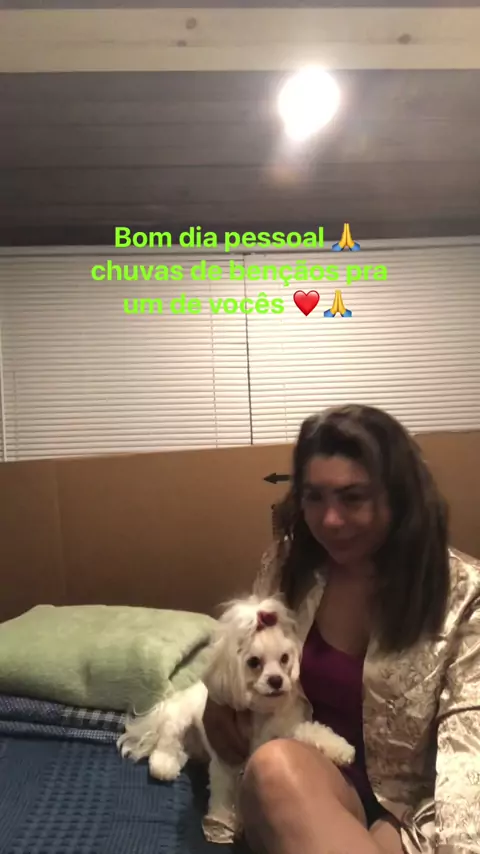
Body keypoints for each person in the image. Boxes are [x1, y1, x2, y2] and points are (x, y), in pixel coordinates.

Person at [203, 404, 480, 854]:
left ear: (399, 497)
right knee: (274, 769)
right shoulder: (286, 566)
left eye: (353, 498)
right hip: (304, 781)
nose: (329, 519)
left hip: (412, 811)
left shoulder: (464, 594)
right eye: (314, 497)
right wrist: (215, 701)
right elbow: (243, 649)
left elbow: (471, 746)